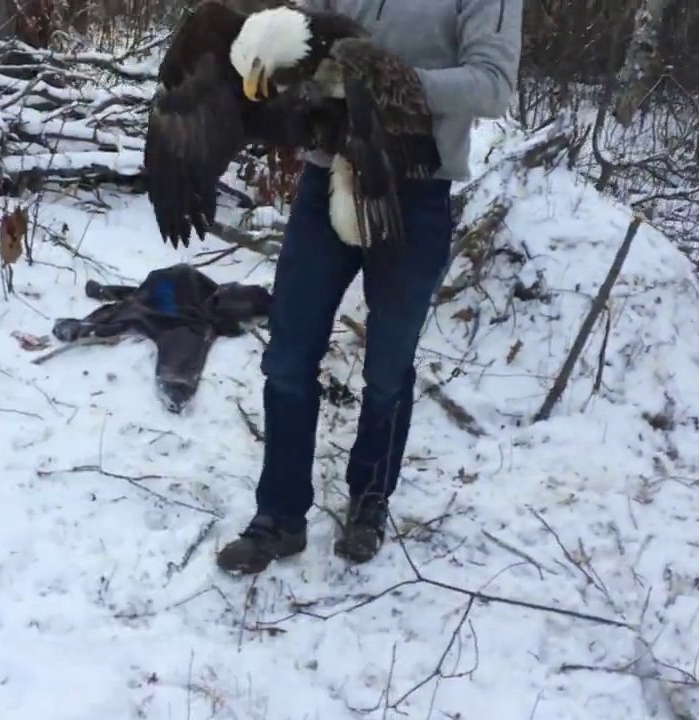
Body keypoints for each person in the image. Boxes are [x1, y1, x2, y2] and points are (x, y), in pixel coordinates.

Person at [216, 0, 524, 574]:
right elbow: (303, 34)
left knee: (388, 366)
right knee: (287, 356)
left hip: (415, 184)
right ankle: (279, 517)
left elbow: (493, 86)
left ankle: (369, 501)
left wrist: (381, 85)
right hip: (326, 173)